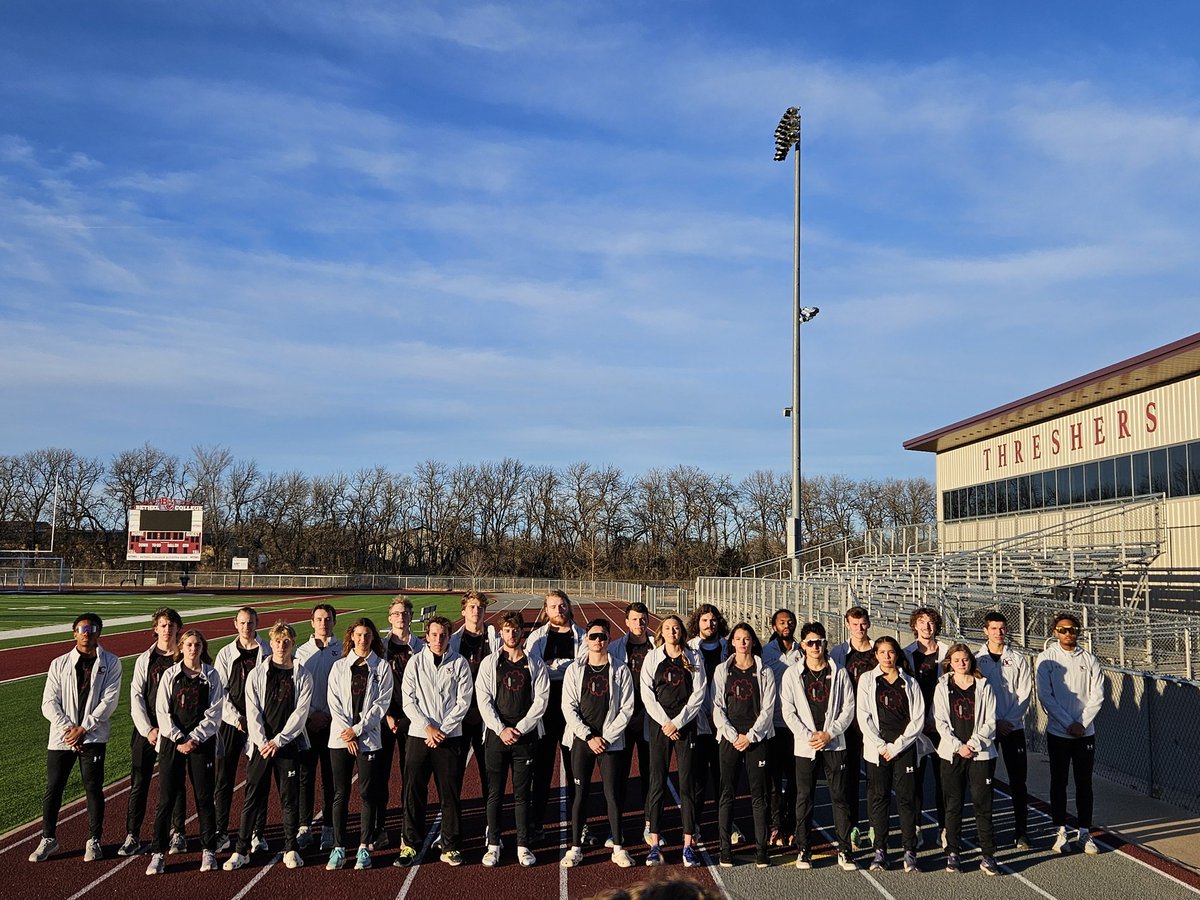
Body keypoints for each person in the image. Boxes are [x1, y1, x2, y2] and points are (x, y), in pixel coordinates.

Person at [30, 612, 123, 864]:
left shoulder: (112, 663)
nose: (87, 632)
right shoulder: (58, 663)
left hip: (93, 737)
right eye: (82, 628)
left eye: (92, 628)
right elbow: (49, 703)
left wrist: (84, 728)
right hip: (62, 738)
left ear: (99, 633)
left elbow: (109, 701)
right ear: (74, 633)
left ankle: (94, 839)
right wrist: (69, 729)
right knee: (54, 787)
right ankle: (48, 838)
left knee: (93, 787)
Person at [223, 621, 313, 871]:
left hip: (287, 746)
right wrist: (263, 741)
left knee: (289, 799)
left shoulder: (302, 674)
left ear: (292, 643)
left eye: (286, 641)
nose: (281, 646)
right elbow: (253, 712)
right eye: (277, 641)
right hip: (261, 747)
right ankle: (241, 850)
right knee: (252, 798)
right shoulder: (257, 673)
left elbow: (300, 713)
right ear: (270, 643)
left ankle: (291, 848)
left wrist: (279, 740)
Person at [395, 614, 474, 868]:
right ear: (426, 637)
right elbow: (408, 700)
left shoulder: (460, 663)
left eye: (443, 635)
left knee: (449, 794)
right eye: (434, 635)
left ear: (449, 636)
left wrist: (443, 729)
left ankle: (450, 846)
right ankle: (410, 844)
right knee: (414, 792)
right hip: (419, 736)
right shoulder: (415, 663)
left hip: (450, 739)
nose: (438, 639)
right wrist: (428, 727)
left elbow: (464, 701)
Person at [780, 621, 858, 872]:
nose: (815, 646)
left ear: (826, 644)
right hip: (805, 746)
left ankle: (844, 850)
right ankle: (804, 849)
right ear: (802, 646)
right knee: (804, 798)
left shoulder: (839, 672)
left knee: (840, 798)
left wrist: (829, 733)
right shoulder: (792, 674)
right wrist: (808, 736)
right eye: (810, 642)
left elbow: (848, 708)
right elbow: (788, 711)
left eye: (819, 642)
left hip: (834, 744)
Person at [144, 629, 224, 875]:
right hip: (172, 742)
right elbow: (162, 711)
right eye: (189, 644)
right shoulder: (170, 674)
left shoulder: (211, 675)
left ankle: (208, 850)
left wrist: (195, 738)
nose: (193, 648)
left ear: (203, 647)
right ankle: (158, 853)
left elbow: (215, 711)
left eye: (197, 644)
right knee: (166, 799)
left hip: (201, 744)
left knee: (204, 797)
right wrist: (179, 738)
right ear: (181, 647)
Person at [559, 619, 637, 869]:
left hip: (610, 744)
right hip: (582, 742)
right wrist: (588, 736)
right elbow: (568, 706)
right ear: (586, 639)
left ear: (608, 639)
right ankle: (575, 848)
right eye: (593, 636)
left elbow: (627, 708)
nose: (598, 641)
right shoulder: (574, 670)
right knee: (580, 794)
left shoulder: (621, 669)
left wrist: (606, 737)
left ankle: (617, 847)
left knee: (612, 794)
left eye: (602, 637)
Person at [476, 610, 549, 868]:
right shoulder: (490, 663)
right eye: (507, 630)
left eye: (516, 629)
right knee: (494, 793)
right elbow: (483, 699)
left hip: (525, 738)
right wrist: (500, 729)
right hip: (497, 738)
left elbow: (541, 700)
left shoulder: (535, 663)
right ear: (501, 632)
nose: (511, 634)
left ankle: (522, 844)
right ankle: (494, 844)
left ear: (522, 632)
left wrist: (519, 728)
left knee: (521, 794)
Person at [857, 635, 931, 874]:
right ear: (876, 655)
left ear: (897, 654)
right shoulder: (868, 680)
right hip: (877, 750)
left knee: (906, 800)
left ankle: (909, 851)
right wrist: (881, 746)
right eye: (882, 653)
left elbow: (918, 719)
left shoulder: (909, 682)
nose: (887, 657)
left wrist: (896, 746)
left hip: (904, 750)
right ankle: (880, 850)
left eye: (891, 652)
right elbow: (863, 716)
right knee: (879, 799)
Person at [326, 617, 393, 871]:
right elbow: (333, 702)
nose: (363, 639)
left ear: (373, 638)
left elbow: (381, 705)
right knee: (340, 794)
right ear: (351, 637)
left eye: (367, 635)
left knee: (367, 794)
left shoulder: (382, 668)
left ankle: (364, 846)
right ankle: (339, 848)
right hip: (341, 739)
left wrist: (357, 730)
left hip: (368, 739)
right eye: (358, 635)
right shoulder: (339, 667)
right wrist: (348, 732)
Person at [641, 614, 707, 867]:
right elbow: (647, 694)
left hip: (685, 726)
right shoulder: (653, 657)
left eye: (676, 628)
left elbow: (699, 692)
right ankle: (655, 844)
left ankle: (688, 845)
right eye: (667, 628)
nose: (672, 631)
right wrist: (665, 723)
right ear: (661, 632)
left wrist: (678, 722)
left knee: (687, 785)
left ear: (682, 632)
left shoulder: (693, 656)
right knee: (657, 782)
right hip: (660, 726)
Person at [1036, 612, 1104, 856]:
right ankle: (1060, 830)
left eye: (1073, 629)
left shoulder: (1090, 659)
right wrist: (1068, 723)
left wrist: (1082, 723)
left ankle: (1084, 832)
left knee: (1084, 783)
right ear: (1055, 631)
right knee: (1059, 782)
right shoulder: (1046, 659)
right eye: (1063, 629)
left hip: (1085, 734)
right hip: (1059, 733)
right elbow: (1046, 696)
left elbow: (1098, 695)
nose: (1069, 633)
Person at [120, 607, 186, 857]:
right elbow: (136, 696)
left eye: (171, 625)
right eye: (163, 625)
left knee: (175, 783)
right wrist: (148, 729)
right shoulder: (144, 659)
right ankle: (132, 835)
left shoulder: (184, 658)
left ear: (178, 628)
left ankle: (178, 832)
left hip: (175, 732)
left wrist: (173, 730)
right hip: (146, 730)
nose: (167, 629)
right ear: (155, 629)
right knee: (139, 783)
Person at [711, 623, 776, 868]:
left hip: (756, 740)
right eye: (738, 638)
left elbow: (768, 708)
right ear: (732, 643)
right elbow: (716, 706)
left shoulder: (764, 671)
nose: (742, 642)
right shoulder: (722, 671)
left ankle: (762, 850)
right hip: (729, 740)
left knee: (759, 796)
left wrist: (750, 735)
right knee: (727, 794)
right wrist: (731, 734)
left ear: (752, 642)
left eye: (747, 638)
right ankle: (725, 849)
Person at [934, 643, 1000, 876]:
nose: (962, 663)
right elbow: (940, 721)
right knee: (953, 805)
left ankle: (988, 855)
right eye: (957, 659)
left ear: (971, 661)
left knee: (983, 806)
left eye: (965, 659)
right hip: (952, 754)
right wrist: (958, 746)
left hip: (980, 754)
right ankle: (953, 852)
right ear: (949, 663)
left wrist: (973, 744)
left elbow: (991, 721)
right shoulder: (942, 687)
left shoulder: (984, 686)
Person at [526, 590, 586, 842]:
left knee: (577, 770)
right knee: (541, 770)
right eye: (553, 607)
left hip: (573, 709)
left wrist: (553, 665)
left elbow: (582, 669)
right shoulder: (537, 638)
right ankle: (537, 823)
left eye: (562, 606)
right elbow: (533, 670)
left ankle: (580, 824)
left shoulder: (582, 636)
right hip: (546, 709)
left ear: (569, 607)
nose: (558, 610)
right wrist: (560, 667)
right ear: (546, 610)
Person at [213, 607, 269, 853]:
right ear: (235, 624)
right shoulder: (226, 653)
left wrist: (255, 719)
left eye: (251, 622)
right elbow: (220, 692)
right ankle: (222, 831)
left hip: (260, 723)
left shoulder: (267, 650)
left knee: (258, 780)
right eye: (243, 623)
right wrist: (237, 719)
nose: (247, 627)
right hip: (231, 725)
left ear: (257, 623)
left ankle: (258, 832)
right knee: (223, 779)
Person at [976, 611, 1032, 850]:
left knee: (1018, 782)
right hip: (987, 730)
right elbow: (976, 695)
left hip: (1013, 728)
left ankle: (1021, 832)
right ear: (985, 631)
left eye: (1002, 628)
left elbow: (1025, 693)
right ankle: (987, 834)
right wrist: (994, 722)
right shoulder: (976, 659)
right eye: (994, 628)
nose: (998, 633)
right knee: (984, 782)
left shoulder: (1018, 659)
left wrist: (1009, 720)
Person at [449, 589, 500, 838]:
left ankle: (492, 825)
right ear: (463, 611)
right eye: (471, 607)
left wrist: (483, 711)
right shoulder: (454, 640)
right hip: (459, 715)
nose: (476, 611)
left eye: (480, 607)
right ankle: (452, 826)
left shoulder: (494, 639)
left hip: (487, 716)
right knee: (454, 772)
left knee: (489, 772)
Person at [375, 596, 424, 849]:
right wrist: (386, 715)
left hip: (412, 720)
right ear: (390, 617)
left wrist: (409, 717)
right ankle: (380, 828)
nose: (401, 617)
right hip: (385, 719)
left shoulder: (421, 646)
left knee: (411, 776)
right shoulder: (380, 648)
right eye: (397, 613)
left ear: (410, 616)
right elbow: (375, 687)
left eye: (405, 613)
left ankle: (409, 830)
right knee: (380, 777)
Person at [294, 602, 340, 851]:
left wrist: (331, 715)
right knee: (305, 776)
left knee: (330, 778)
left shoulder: (343, 650)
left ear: (334, 621)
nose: (324, 623)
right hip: (308, 724)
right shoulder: (301, 652)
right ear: (312, 623)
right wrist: (311, 714)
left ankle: (329, 827)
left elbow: (344, 689)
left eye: (328, 619)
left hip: (333, 723)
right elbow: (297, 689)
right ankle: (304, 825)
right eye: (319, 619)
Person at [829, 605, 875, 849]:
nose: (859, 628)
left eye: (863, 623)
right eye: (854, 624)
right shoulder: (839, 652)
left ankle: (875, 826)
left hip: (875, 724)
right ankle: (853, 826)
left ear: (868, 623)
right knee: (849, 779)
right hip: (848, 725)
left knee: (877, 779)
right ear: (847, 625)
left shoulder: (879, 650)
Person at [903, 606, 949, 849]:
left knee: (944, 782)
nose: (926, 626)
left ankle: (944, 829)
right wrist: (919, 720)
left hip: (942, 726)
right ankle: (917, 828)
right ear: (914, 626)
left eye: (930, 622)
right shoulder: (905, 655)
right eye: (922, 622)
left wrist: (936, 718)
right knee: (915, 782)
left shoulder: (948, 653)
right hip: (916, 726)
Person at [609, 602, 654, 845]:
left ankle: (650, 824)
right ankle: (616, 826)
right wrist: (627, 716)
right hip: (622, 721)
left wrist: (644, 714)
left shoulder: (657, 647)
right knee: (618, 776)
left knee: (651, 774)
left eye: (643, 619)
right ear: (626, 622)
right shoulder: (615, 648)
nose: (639, 623)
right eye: (635, 619)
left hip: (650, 718)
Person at [685, 603, 729, 841]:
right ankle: (697, 823)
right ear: (697, 623)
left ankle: (727, 825)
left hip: (725, 722)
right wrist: (704, 714)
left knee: (724, 778)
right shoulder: (689, 649)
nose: (709, 624)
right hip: (700, 722)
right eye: (704, 620)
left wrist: (720, 717)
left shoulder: (728, 647)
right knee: (698, 778)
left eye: (713, 620)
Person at [760, 608, 800, 849]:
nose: (787, 625)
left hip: (796, 728)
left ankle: (790, 824)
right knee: (773, 781)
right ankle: (775, 824)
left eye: (790, 621)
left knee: (796, 780)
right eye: (782, 622)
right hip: (773, 725)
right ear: (774, 626)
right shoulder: (765, 653)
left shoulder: (802, 651)